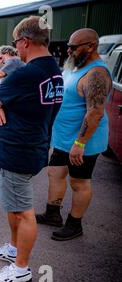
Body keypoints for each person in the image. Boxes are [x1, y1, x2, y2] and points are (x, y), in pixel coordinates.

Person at [0, 16, 63, 282]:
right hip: (33, 145)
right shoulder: (54, 69)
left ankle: (21, 269)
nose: (16, 49)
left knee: (23, 212)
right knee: (14, 207)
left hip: (16, 150)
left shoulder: (27, 73)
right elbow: (23, 104)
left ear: (25, 41)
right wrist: (1, 106)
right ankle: (14, 249)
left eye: (17, 44)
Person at [36, 28, 111, 241]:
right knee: (55, 173)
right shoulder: (75, 66)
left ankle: (74, 224)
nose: (68, 51)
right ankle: (52, 214)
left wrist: (80, 142)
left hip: (82, 141)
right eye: (68, 46)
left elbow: (95, 113)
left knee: (79, 182)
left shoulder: (96, 73)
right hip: (63, 138)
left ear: (91, 46)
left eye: (73, 47)